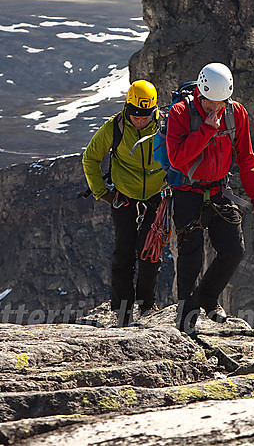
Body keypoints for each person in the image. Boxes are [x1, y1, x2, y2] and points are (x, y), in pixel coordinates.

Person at [166, 62, 254, 333]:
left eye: (220, 103)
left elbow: (246, 156)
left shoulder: (236, 113)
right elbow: (177, 158)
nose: (215, 108)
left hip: (219, 189)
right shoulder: (180, 113)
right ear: (201, 93)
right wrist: (207, 130)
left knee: (234, 250)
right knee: (191, 255)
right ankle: (186, 317)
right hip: (188, 191)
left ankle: (207, 298)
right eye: (210, 103)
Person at [82, 80, 166, 326]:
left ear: (154, 111)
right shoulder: (115, 127)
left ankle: (146, 305)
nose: (139, 120)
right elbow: (90, 158)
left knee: (150, 253)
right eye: (135, 115)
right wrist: (104, 193)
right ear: (127, 108)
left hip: (156, 198)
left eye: (145, 116)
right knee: (124, 253)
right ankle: (121, 310)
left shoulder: (165, 126)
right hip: (124, 199)